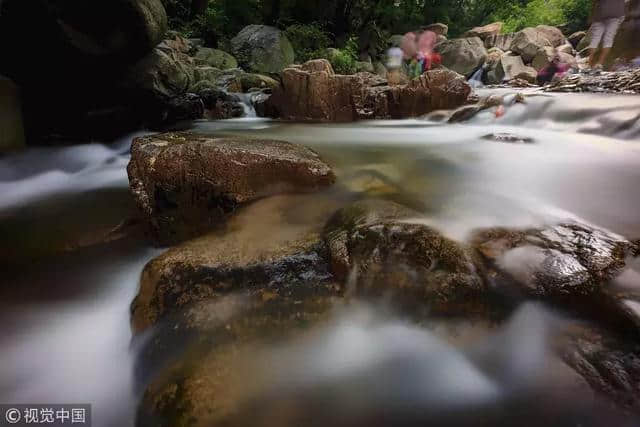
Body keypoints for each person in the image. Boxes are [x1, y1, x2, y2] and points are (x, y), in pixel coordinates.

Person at [587, 0, 626, 71]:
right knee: (608, 39)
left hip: (600, 15)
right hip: (615, 15)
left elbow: (594, 2)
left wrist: (592, 15)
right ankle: (599, 64)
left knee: (595, 39)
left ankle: (589, 64)